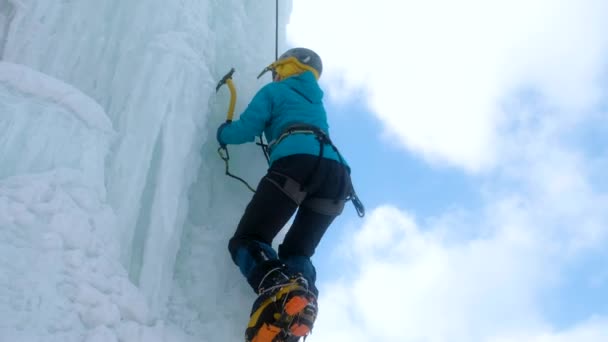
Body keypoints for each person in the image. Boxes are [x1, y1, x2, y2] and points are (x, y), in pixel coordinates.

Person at [216, 47, 358, 341]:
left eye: (277, 70)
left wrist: (222, 133)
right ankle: (299, 310)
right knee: (297, 252)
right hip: (338, 177)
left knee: (247, 240)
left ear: (286, 68)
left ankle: (279, 291)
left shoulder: (275, 92)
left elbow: (247, 128)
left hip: (298, 164)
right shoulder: (316, 102)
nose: (275, 75)